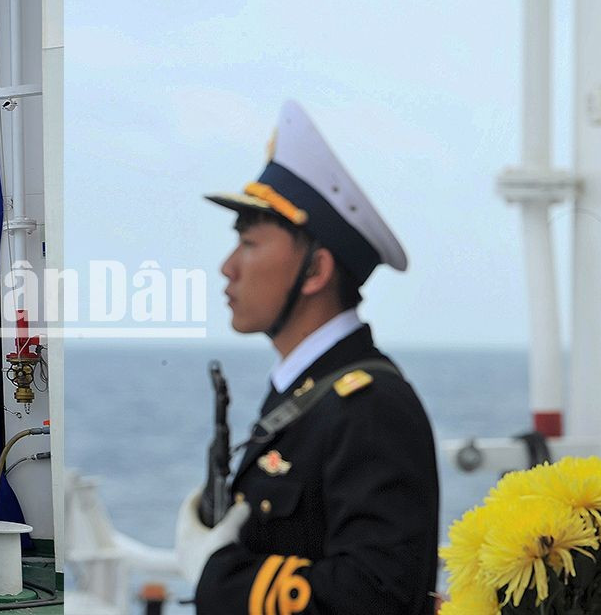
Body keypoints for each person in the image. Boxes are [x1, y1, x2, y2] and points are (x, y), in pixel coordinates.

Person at [174, 100, 438, 614]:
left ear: (315, 271)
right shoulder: (309, 392)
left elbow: (376, 596)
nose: (228, 268)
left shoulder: (371, 406)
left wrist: (218, 573)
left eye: (249, 244)